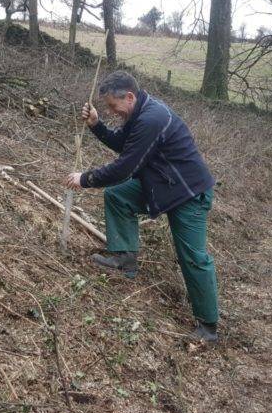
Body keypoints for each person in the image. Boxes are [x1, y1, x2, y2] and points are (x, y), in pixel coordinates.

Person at [65, 71, 219, 342]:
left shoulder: (152, 118)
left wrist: (85, 179)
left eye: (113, 106)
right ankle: (125, 259)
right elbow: (123, 144)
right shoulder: (138, 113)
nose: (113, 112)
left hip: (188, 193)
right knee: (118, 196)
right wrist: (96, 125)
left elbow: (125, 166)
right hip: (161, 184)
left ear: (130, 97)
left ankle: (207, 325)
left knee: (193, 257)